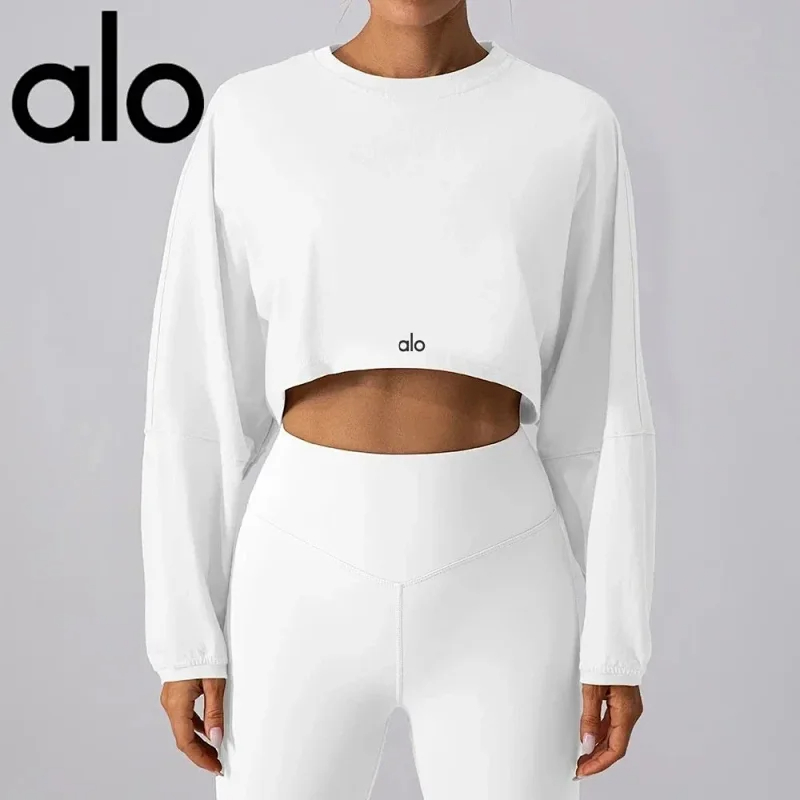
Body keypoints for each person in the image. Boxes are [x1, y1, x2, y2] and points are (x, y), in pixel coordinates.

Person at [139, 2, 657, 798]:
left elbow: (603, 401)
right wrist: (186, 636)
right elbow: (195, 394)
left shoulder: (571, 124)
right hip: (299, 574)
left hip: (504, 578)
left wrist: (615, 641)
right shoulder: (251, 117)